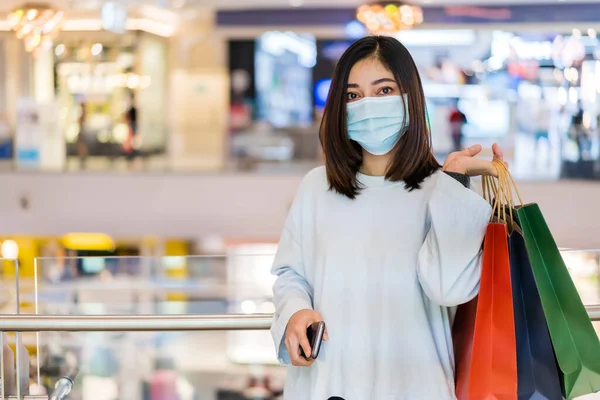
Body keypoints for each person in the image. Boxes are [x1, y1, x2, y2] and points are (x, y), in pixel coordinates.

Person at [270, 36, 504, 399]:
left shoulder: (443, 191)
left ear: (410, 97)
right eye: (353, 95)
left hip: (416, 384)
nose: (367, 105)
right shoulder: (316, 187)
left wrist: (455, 181)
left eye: (384, 90)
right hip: (330, 381)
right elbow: (290, 274)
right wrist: (295, 311)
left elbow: (449, 288)